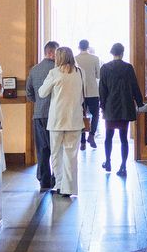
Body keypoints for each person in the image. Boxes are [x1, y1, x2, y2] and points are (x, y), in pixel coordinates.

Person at [39, 46, 85, 197]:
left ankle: (59, 184)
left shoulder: (54, 73)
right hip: (74, 119)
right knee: (71, 155)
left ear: (58, 57)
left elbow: (42, 92)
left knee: (56, 153)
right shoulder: (80, 72)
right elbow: (83, 95)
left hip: (57, 119)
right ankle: (69, 188)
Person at [98, 42, 143, 176]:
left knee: (108, 136)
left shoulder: (105, 68)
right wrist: (139, 103)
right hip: (125, 107)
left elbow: (102, 89)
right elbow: (135, 86)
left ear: (112, 53)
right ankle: (123, 166)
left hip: (111, 107)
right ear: (122, 53)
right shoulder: (128, 68)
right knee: (124, 138)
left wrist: (102, 105)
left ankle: (108, 162)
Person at [26, 40, 59, 191]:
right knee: (56, 148)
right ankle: (56, 179)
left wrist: (39, 102)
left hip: (39, 114)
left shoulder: (34, 70)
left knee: (42, 149)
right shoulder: (58, 69)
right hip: (56, 114)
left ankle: (44, 180)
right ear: (52, 53)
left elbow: (29, 93)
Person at [75, 39, 101, 150]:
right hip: (93, 91)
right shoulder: (95, 58)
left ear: (79, 47)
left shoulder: (75, 59)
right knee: (95, 115)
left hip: (79, 92)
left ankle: (82, 142)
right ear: (88, 47)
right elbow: (99, 75)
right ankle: (91, 135)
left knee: (81, 116)